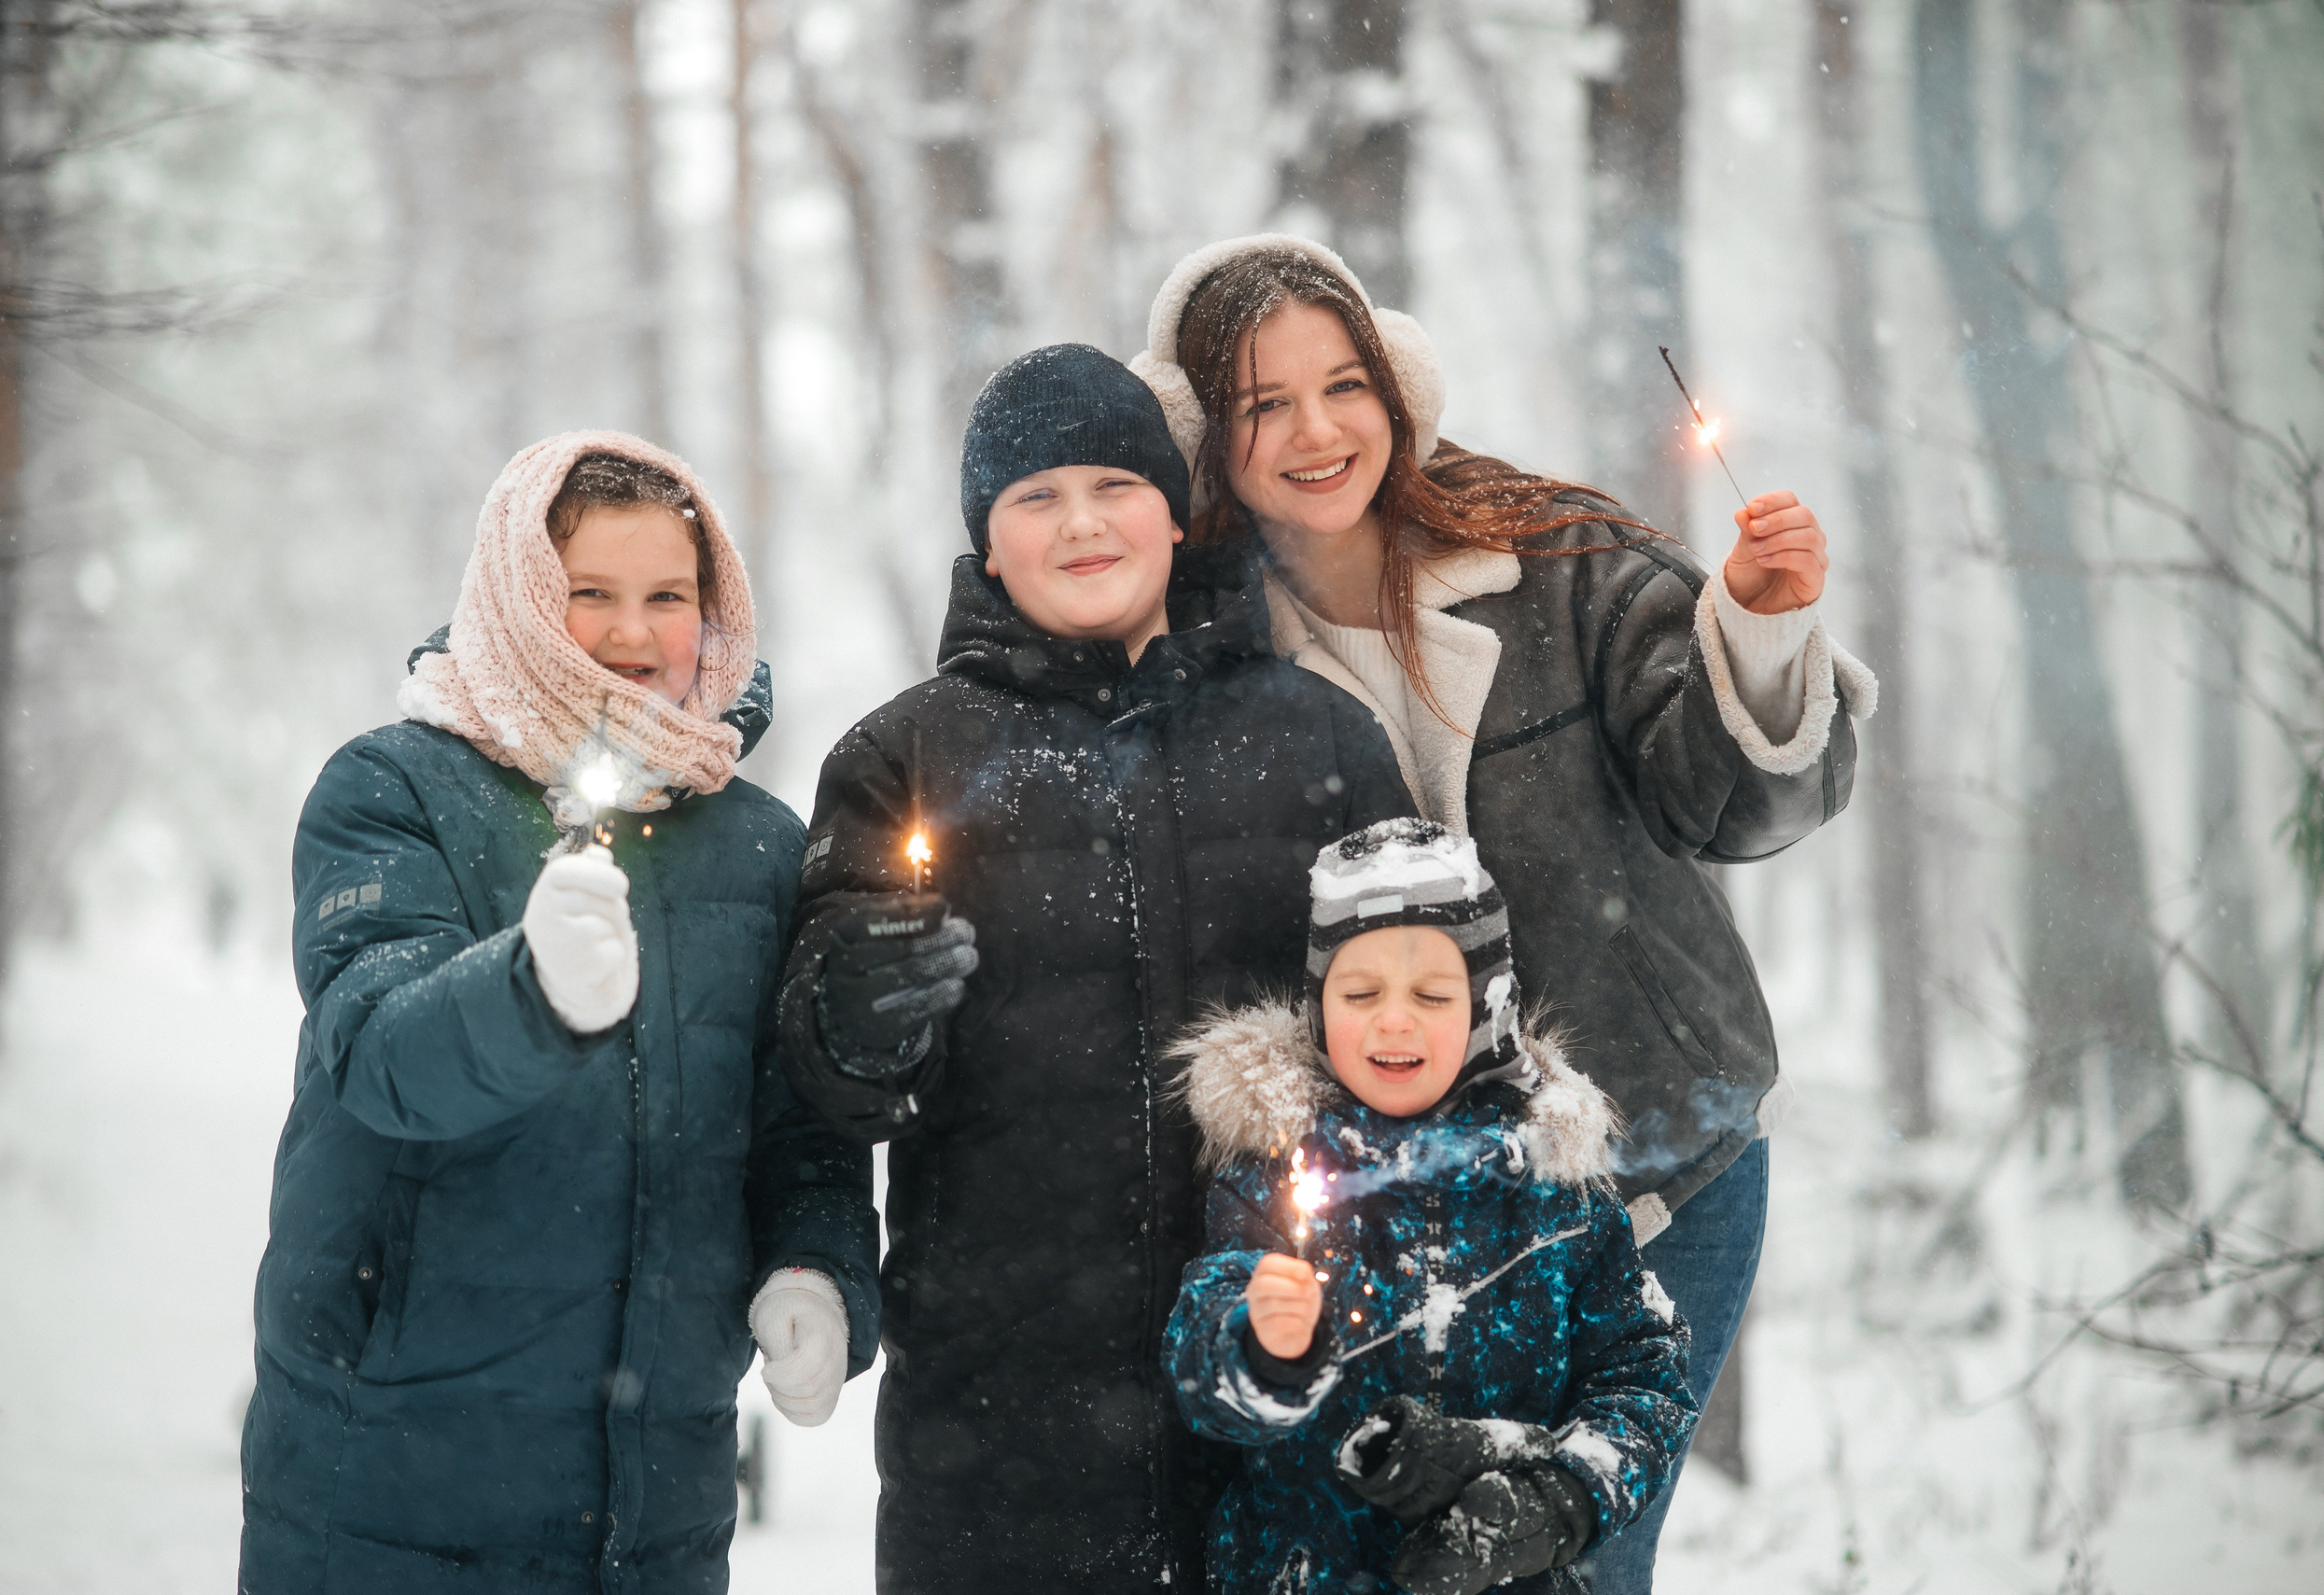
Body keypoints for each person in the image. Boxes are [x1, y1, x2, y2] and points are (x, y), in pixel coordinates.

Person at [1130, 236, 1878, 1590]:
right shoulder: (1204, 663)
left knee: (1574, 1559)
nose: (1317, 431)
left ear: (1396, 385)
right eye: (1263, 403)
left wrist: (1763, 629)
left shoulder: (1556, 556)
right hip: (1389, 1210)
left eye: (1344, 383)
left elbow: (1741, 806)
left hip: (1650, 1167)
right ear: (1206, 436)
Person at [772, 345, 1418, 1591]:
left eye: (1114, 483)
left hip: (1284, 1376)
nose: (1080, 523)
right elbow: (834, 1085)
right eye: (1034, 497)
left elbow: (1421, 1033)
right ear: (987, 543)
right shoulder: (900, 758)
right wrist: (857, 1014)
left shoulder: (1322, 737)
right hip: (1000, 1423)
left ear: (1175, 514)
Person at [240, 434, 877, 1595]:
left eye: (667, 596)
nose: (634, 637)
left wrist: (816, 1272)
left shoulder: (762, 845)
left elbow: (800, 1131)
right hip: (386, 1485)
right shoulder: (391, 791)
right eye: (590, 594)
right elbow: (379, 1054)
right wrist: (527, 995)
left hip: (656, 1509)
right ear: (521, 597)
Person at [1164, 818, 1695, 1595]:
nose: (1394, 1017)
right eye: (1360, 991)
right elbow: (1202, 1369)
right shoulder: (1273, 1177)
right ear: (1319, 1007)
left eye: (1432, 994)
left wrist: (1555, 1503)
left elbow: (1646, 1380)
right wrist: (1259, 1346)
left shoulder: (1558, 1188)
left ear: (1486, 1010)